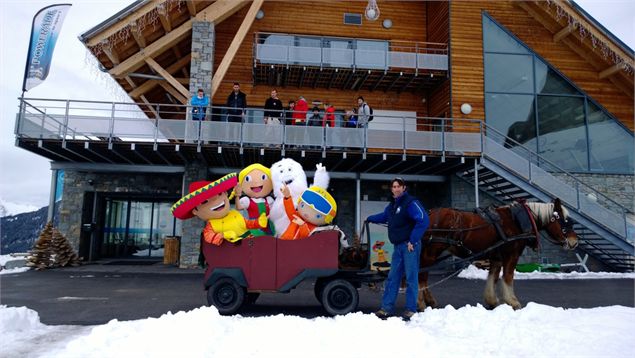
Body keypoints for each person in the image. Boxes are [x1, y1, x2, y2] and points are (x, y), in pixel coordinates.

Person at [366, 177, 429, 321]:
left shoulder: (411, 203)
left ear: (404, 188)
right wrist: (370, 218)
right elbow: (384, 216)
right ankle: (386, 308)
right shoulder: (393, 206)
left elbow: (423, 220)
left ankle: (411, 309)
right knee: (392, 278)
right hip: (398, 247)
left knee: (411, 278)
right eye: (394, 187)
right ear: (391, 189)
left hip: (409, 246)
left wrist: (413, 240)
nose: (396, 189)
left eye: (398, 186)